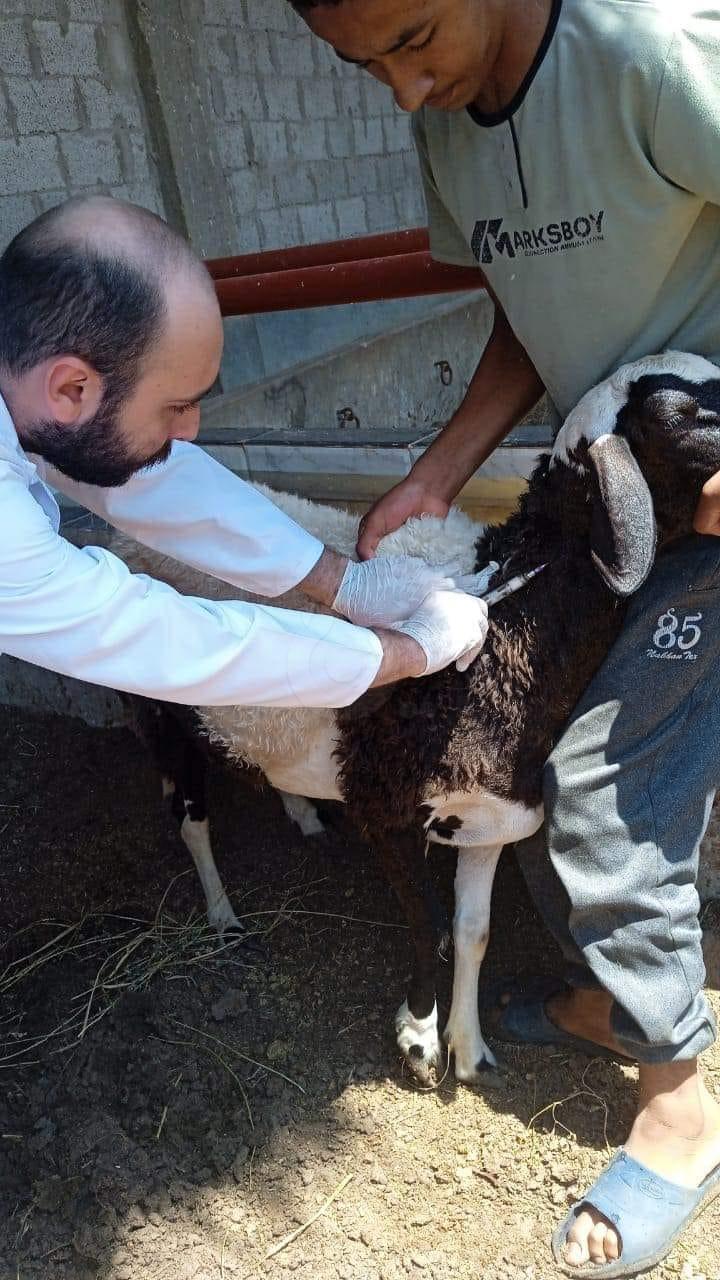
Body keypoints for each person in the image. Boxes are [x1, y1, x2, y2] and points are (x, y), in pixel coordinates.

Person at [291, 0, 720, 1274]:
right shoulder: (452, 124)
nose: (405, 95)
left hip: (702, 473)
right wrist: (436, 476)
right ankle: (618, 994)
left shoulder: (646, 53)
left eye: (414, 39)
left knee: (592, 772)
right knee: (515, 734)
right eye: (366, 67)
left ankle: (682, 1103)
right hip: (604, 485)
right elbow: (524, 315)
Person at [0, 196, 490, 722]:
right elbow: (154, 637)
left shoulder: (36, 396)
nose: (191, 430)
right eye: (175, 406)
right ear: (71, 388)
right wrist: (406, 652)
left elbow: (144, 480)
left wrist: (344, 583)